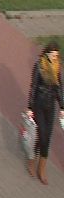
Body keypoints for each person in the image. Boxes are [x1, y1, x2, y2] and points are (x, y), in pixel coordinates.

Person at [26, 41, 63, 184]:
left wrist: (62, 106)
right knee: (41, 135)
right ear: (47, 53)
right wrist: (29, 107)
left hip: (50, 106)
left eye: (57, 55)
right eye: (53, 54)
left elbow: (59, 88)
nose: (55, 57)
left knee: (47, 137)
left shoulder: (57, 67)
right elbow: (34, 86)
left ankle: (41, 169)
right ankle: (31, 161)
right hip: (39, 105)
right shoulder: (39, 66)